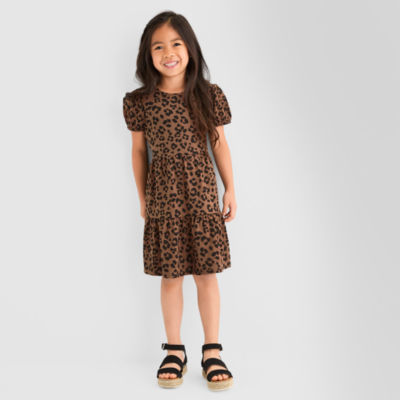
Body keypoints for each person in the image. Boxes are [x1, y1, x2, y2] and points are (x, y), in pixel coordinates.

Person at [122, 11, 236, 391]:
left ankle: (212, 350)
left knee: (206, 274)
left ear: (190, 48)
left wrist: (230, 188)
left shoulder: (207, 94)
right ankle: (174, 349)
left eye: (176, 43)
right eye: (158, 47)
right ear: (147, 54)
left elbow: (219, 143)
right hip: (164, 198)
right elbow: (139, 152)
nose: (168, 53)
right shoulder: (140, 102)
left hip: (202, 195)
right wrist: (143, 197)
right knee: (171, 277)